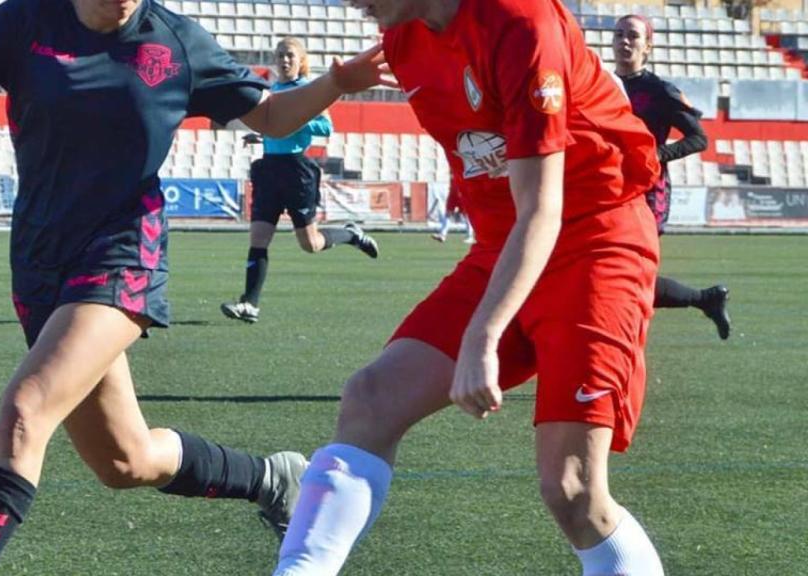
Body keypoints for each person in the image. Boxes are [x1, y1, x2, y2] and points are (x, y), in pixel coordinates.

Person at [0, 0, 394, 573]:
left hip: (122, 254)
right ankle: (272, 478)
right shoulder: (22, 21)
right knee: (124, 460)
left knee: (25, 412)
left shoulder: (176, 42)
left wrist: (337, 82)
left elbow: (270, 116)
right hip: (38, 258)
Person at [272, 0, 667, 574]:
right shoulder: (404, 38)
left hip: (594, 243)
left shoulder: (522, 24)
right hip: (502, 247)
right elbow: (271, 117)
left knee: (574, 490)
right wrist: (335, 81)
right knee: (371, 400)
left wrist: (483, 335)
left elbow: (543, 208)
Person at [221, 37, 379, 324]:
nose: (284, 60)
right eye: (280, 55)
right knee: (259, 237)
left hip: (297, 171)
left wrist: (296, 117)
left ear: (301, 60)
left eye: (290, 56)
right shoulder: (270, 91)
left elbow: (326, 127)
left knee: (310, 244)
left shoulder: (308, 90)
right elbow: (274, 126)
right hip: (269, 169)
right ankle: (249, 304)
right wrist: (261, 135)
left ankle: (350, 234)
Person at [614, 14, 732, 340]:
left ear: (647, 46)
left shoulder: (660, 91)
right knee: (613, 271)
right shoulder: (602, 85)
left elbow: (698, 139)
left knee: (630, 273)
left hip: (648, 192)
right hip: (609, 189)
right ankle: (705, 299)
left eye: (633, 35)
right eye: (619, 34)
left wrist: (654, 155)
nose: (624, 41)